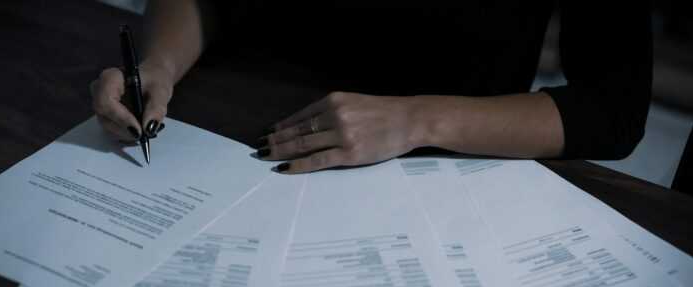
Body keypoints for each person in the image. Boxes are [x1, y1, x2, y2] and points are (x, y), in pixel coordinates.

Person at [91, 1, 652, 174]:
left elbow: (613, 108)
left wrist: (418, 119)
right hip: (231, 135)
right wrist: (160, 63)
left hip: (441, 166)